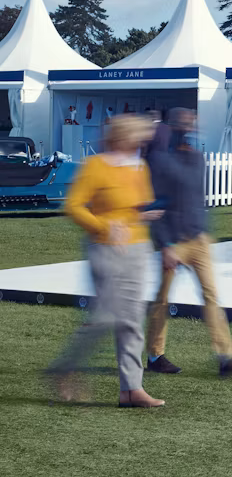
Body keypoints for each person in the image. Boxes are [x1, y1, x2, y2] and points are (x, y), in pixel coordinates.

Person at [47, 114, 166, 408]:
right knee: (107, 316)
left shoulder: (139, 165)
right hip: (104, 249)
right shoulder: (95, 166)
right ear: (123, 136)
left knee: (132, 321)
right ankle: (64, 368)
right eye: (139, 135)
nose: (143, 140)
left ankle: (131, 390)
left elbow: (137, 206)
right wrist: (105, 226)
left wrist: (143, 216)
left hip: (138, 249)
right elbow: (73, 206)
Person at [145, 108, 232, 378]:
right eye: (185, 123)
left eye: (192, 123)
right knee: (162, 299)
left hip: (198, 239)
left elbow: (197, 198)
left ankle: (226, 357)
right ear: (172, 127)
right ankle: (155, 355)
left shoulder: (197, 159)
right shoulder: (160, 160)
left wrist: (203, 232)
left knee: (211, 295)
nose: (190, 127)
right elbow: (156, 205)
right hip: (173, 242)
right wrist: (165, 244)